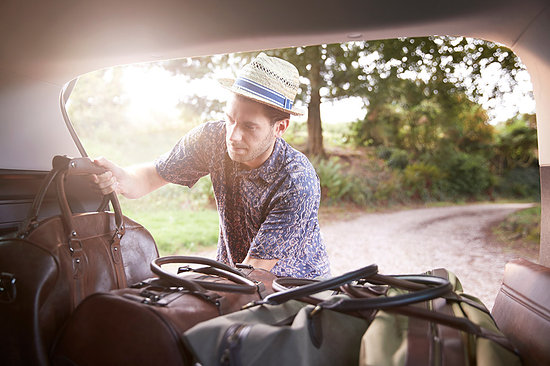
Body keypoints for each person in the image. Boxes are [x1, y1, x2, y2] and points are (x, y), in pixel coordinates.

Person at [94, 53, 331, 279]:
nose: (233, 136)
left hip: (294, 290)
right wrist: (121, 178)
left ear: (280, 128)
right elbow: (150, 176)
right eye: (230, 119)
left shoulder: (297, 181)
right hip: (237, 278)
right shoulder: (212, 139)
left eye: (249, 127)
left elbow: (253, 271)